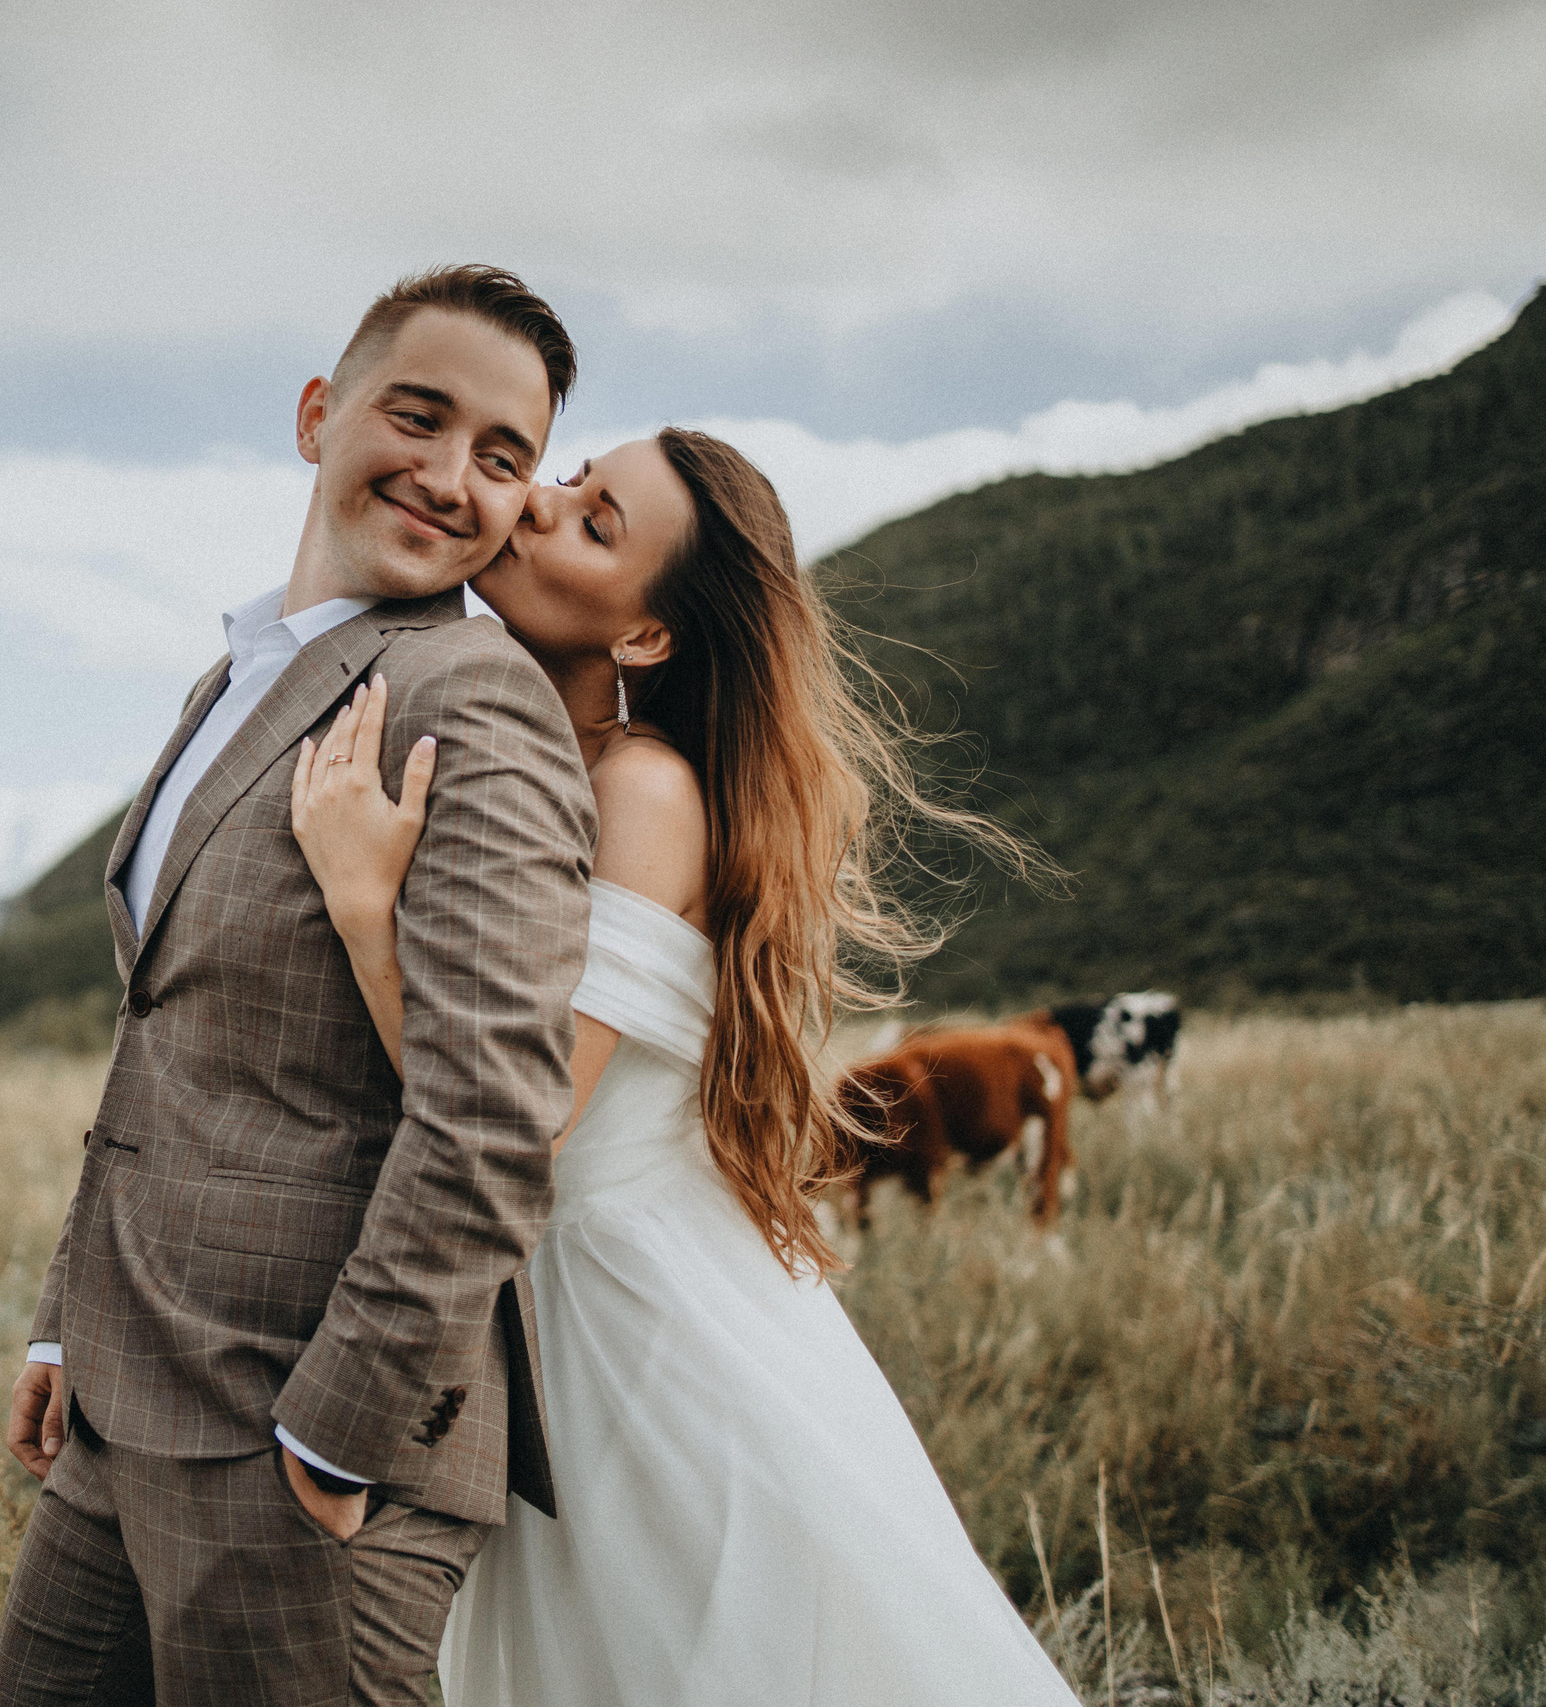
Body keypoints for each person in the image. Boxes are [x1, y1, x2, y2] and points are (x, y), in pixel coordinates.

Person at [290, 429, 1082, 1705]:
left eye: (596, 523)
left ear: (647, 638)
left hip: (635, 1336)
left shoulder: (645, 790)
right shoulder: (544, 765)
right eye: (569, 481)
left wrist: (363, 904)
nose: (539, 511)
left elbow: (522, 1120)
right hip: (557, 1310)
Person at [0, 266, 596, 1707]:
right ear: (321, 415)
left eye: (502, 458)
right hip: (125, 1393)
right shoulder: (235, 681)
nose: (452, 478)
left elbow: (497, 1110)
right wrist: (70, 1314)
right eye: (420, 416)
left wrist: (340, 1434)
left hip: (304, 1438)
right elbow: (166, 1039)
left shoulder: (468, 693)